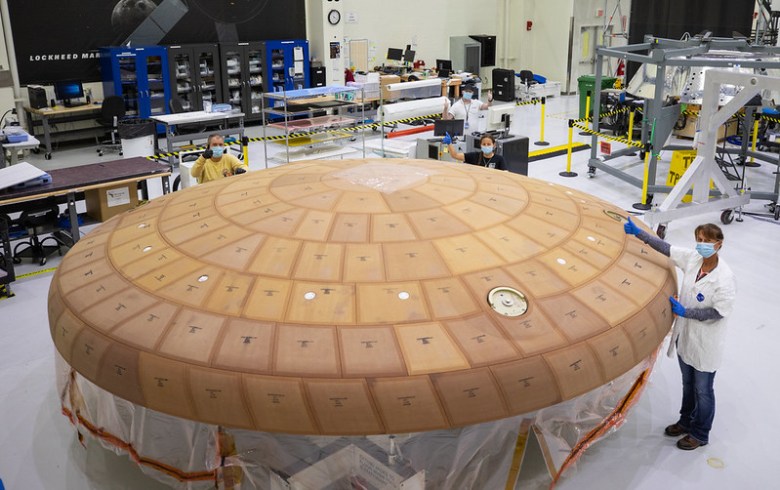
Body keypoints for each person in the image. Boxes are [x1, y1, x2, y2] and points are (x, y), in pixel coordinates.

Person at [624, 217, 736, 451]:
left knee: (703, 390)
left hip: (706, 344)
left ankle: (700, 433)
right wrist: (639, 234)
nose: (701, 244)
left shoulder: (725, 278)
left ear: (719, 244)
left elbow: (718, 312)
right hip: (686, 338)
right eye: (699, 240)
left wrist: (687, 312)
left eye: (706, 241)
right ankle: (686, 421)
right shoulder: (695, 259)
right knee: (688, 384)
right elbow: (668, 249)